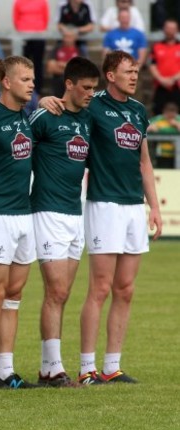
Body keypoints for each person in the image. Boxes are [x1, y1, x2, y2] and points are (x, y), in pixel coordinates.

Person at [79, 50, 162, 384]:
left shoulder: (139, 111)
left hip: (131, 207)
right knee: (99, 288)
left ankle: (112, 366)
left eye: (137, 71)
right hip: (104, 204)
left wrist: (153, 206)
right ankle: (87, 368)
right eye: (128, 71)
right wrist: (47, 101)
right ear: (110, 75)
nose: (134, 77)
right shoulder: (94, 104)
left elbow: (144, 161)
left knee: (125, 289)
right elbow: (65, 104)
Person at [28, 56, 99, 387]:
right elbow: (15, 148)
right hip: (47, 209)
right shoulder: (45, 115)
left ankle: (48, 367)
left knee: (63, 292)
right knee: (55, 289)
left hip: (74, 211)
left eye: (94, 89)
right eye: (85, 88)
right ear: (68, 84)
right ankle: (53, 368)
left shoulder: (87, 118)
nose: (90, 94)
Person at [0, 55, 36, 390]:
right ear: (7, 82)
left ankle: (6, 370)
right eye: (25, 79)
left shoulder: (28, 117)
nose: (31, 84)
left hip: (23, 214)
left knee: (14, 294)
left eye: (32, 79)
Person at [12, 0, 49, 95]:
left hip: (38, 36)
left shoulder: (42, 2)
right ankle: (23, 90)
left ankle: (38, 92)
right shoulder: (18, 2)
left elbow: (45, 18)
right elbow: (16, 19)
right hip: (24, 36)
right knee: (24, 64)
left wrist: (38, 30)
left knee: (38, 64)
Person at [149, 19, 180, 115]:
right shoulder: (156, 46)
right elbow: (152, 65)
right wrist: (161, 79)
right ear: (164, 29)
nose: (170, 31)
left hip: (177, 86)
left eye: (172, 28)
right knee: (158, 113)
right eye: (168, 28)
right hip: (160, 86)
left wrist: (174, 79)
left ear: (177, 30)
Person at [46, 32, 80, 98]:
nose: (67, 39)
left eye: (70, 37)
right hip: (58, 82)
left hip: (74, 83)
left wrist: (61, 64)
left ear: (75, 38)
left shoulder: (80, 50)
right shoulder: (57, 49)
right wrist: (71, 66)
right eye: (65, 37)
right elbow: (50, 68)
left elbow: (81, 69)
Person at [147, 101, 180, 168]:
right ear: (164, 111)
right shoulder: (158, 119)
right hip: (162, 153)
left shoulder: (178, 119)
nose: (170, 115)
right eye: (168, 112)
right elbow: (145, 127)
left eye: (173, 112)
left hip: (177, 153)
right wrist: (151, 128)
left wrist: (177, 125)